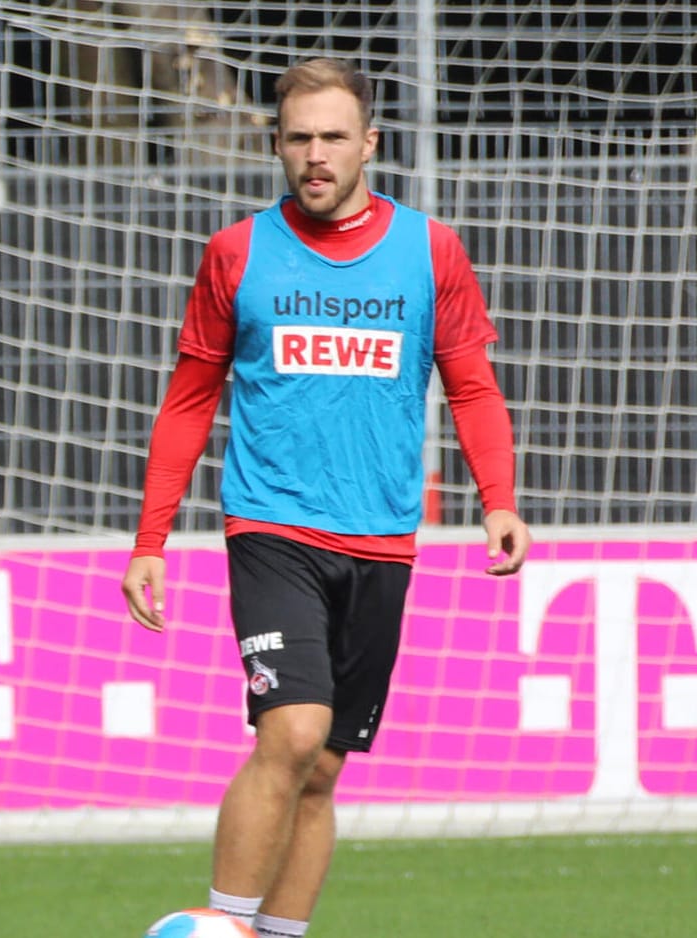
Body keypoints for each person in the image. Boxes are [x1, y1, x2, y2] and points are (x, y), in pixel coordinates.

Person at [120, 58, 531, 938]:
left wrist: (497, 498)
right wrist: (151, 539)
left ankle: (277, 935)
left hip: (383, 538)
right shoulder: (236, 252)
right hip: (271, 526)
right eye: (299, 137)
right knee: (295, 730)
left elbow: (472, 386)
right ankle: (222, 925)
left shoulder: (430, 250)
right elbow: (189, 398)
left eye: (334, 137)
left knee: (325, 768)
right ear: (276, 145)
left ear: (368, 144)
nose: (316, 155)